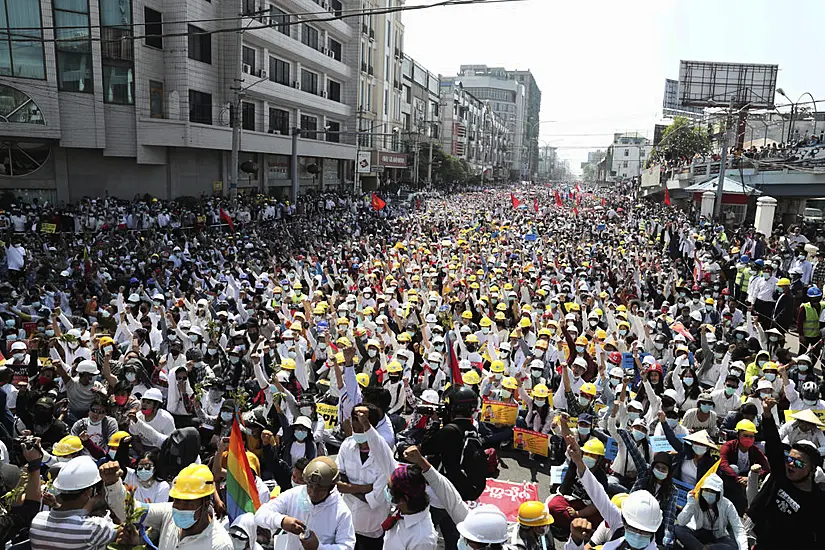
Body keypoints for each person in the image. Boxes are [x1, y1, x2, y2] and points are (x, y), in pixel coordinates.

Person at [563, 433, 663, 550]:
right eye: (633, 528)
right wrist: (576, 540)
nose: (637, 535)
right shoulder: (618, 523)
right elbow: (598, 494)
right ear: (624, 521)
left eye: (644, 531)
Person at [748, 397, 825, 548]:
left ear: (812, 470)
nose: (791, 465)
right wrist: (767, 415)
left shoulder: (818, 502)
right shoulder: (781, 476)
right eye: (789, 459)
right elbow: (773, 446)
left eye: (798, 463)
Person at [103, 461, 234, 549]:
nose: (179, 507)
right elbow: (131, 512)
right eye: (177, 500)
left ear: (206, 504)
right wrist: (113, 483)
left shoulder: (220, 545)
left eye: (188, 502)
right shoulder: (168, 512)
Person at [254, 456, 356, 550]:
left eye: (320, 490)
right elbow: (260, 515)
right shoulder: (293, 495)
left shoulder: (341, 512)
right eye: (310, 486)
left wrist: (319, 547)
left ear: (331, 487)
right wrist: (282, 521)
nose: (313, 493)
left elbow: (347, 546)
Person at [30, 456, 118, 550]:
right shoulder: (94, 528)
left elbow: (69, 517)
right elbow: (127, 533)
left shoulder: (38, 520)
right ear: (88, 492)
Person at [675, 473, 748, 550]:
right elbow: (681, 522)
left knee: (733, 546)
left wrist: (744, 548)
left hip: (718, 536)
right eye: (706, 490)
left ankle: (704, 548)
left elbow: (738, 528)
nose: (709, 493)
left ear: (719, 493)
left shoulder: (727, 505)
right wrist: (690, 504)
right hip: (698, 532)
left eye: (713, 491)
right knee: (678, 529)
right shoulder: (696, 501)